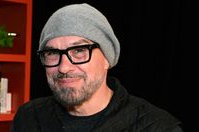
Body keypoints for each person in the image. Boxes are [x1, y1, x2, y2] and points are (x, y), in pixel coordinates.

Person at [11, 3, 183, 132]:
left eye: (79, 50)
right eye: (52, 53)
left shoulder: (157, 127)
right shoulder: (28, 118)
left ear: (107, 59)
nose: (64, 67)